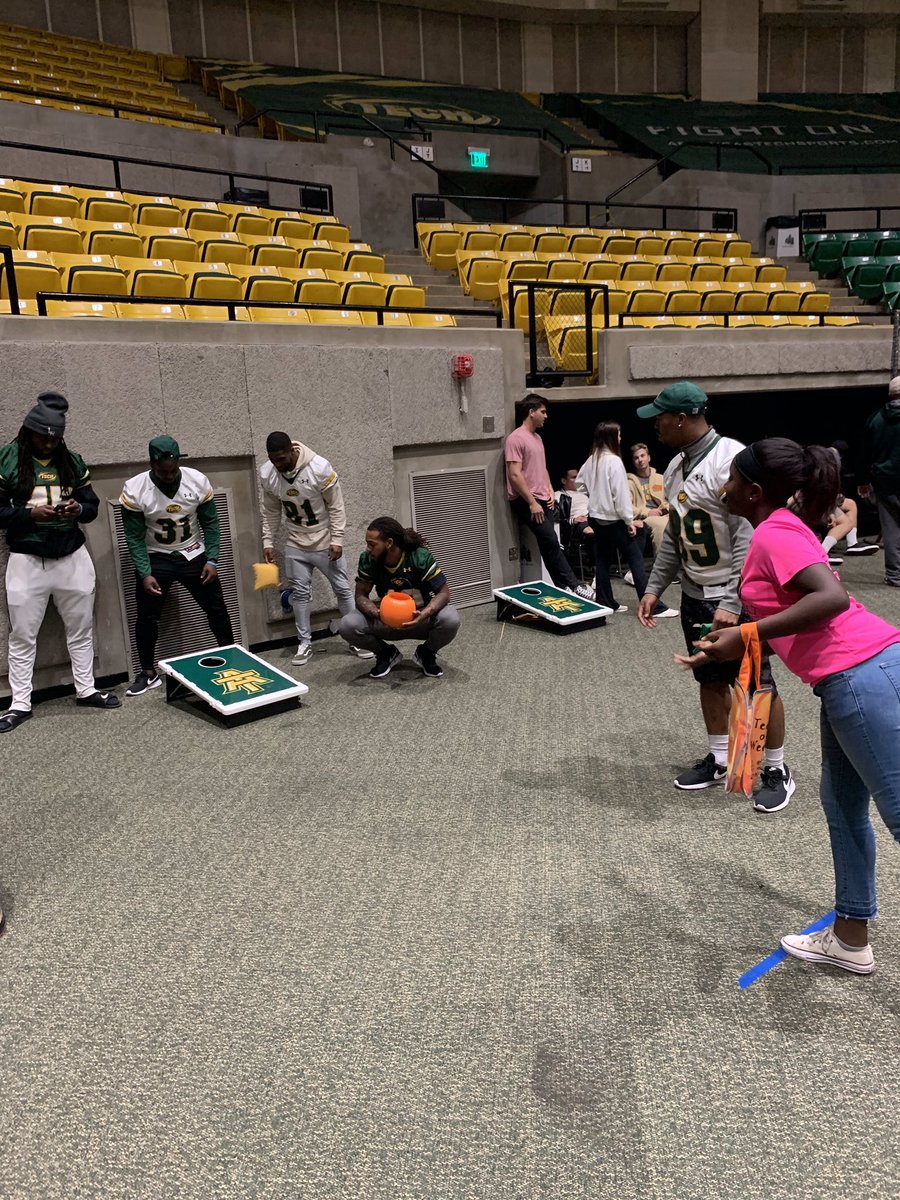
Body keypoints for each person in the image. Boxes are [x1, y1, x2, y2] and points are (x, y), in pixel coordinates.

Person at [687, 437, 900, 974]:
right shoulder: (779, 527)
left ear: (754, 491)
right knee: (841, 806)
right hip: (846, 678)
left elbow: (829, 597)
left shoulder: (774, 532)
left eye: (733, 479)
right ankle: (850, 938)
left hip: (860, 674)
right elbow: (788, 601)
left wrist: (747, 633)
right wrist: (732, 636)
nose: (724, 485)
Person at [636, 381, 792, 810]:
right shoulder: (673, 468)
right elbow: (675, 537)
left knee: (758, 683)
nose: (656, 426)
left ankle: (776, 767)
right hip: (694, 592)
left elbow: (748, 536)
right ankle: (721, 758)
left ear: (681, 418)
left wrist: (731, 600)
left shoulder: (731, 461)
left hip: (735, 594)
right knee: (709, 678)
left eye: (660, 418)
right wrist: (654, 586)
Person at [0, 392, 120, 732]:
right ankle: (20, 703)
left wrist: (78, 509)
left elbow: (92, 506)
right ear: (29, 431)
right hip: (27, 558)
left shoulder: (72, 461)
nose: (49, 444)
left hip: (72, 556)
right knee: (23, 635)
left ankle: (86, 689)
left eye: (55, 439)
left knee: (81, 629)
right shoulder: (7, 459)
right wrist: (30, 514)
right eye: (42, 437)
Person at [120, 436, 234, 696]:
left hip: (192, 552)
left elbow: (211, 523)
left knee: (217, 608)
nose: (170, 476)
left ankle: (232, 655)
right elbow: (134, 537)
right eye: (164, 472)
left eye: (174, 470)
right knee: (147, 615)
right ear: (152, 464)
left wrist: (213, 559)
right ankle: (148, 672)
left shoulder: (196, 480)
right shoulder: (136, 489)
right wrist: (144, 573)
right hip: (156, 555)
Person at [259, 431, 373, 665]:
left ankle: (356, 637)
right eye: (272, 459)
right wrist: (268, 541)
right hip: (295, 540)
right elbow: (271, 511)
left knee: (342, 589)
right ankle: (304, 643)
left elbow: (336, 506)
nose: (277, 464)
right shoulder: (268, 474)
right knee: (300, 593)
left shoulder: (318, 468)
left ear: (292, 450)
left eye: (281, 458)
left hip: (324, 539)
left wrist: (337, 539)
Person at [575, 421, 678, 619]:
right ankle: (653, 607)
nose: (620, 438)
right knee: (635, 559)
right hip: (614, 520)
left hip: (596, 518)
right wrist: (629, 521)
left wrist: (596, 496)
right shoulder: (614, 461)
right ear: (611, 437)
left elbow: (580, 484)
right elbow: (621, 496)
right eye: (618, 435)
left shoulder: (592, 459)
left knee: (603, 559)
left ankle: (606, 602)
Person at [339, 516, 460, 679]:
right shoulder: (368, 559)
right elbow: (360, 595)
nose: (368, 549)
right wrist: (376, 613)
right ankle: (385, 654)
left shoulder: (419, 557)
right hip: (386, 621)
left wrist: (425, 613)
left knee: (450, 618)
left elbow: (444, 593)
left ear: (389, 543)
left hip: (420, 620)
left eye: (372, 544)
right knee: (348, 625)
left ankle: (426, 653)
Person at [505, 396, 594, 601]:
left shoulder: (537, 438)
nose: (546, 416)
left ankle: (562, 587)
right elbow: (515, 475)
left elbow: (542, 468)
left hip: (543, 498)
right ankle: (575, 585)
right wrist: (532, 502)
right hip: (526, 500)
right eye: (543, 412)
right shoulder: (515, 438)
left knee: (549, 545)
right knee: (551, 541)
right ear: (531, 412)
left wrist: (550, 491)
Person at [858, 376, 900, 587]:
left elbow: (865, 453)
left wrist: (863, 481)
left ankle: (895, 575)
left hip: (884, 481)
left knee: (891, 527)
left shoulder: (875, 419)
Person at [627, 442, 669, 556]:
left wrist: (664, 508)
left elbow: (671, 498)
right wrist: (648, 512)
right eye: (636, 458)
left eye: (642, 456)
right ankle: (661, 563)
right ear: (633, 462)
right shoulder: (629, 483)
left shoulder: (660, 478)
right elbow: (627, 506)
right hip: (645, 518)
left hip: (664, 514)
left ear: (649, 457)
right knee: (661, 524)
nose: (640, 460)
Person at [555, 468, 594, 577]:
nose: (578, 479)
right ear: (564, 481)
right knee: (590, 532)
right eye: (574, 477)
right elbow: (556, 519)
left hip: (593, 518)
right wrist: (573, 520)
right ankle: (598, 571)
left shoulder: (584, 493)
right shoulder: (558, 495)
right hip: (577, 524)